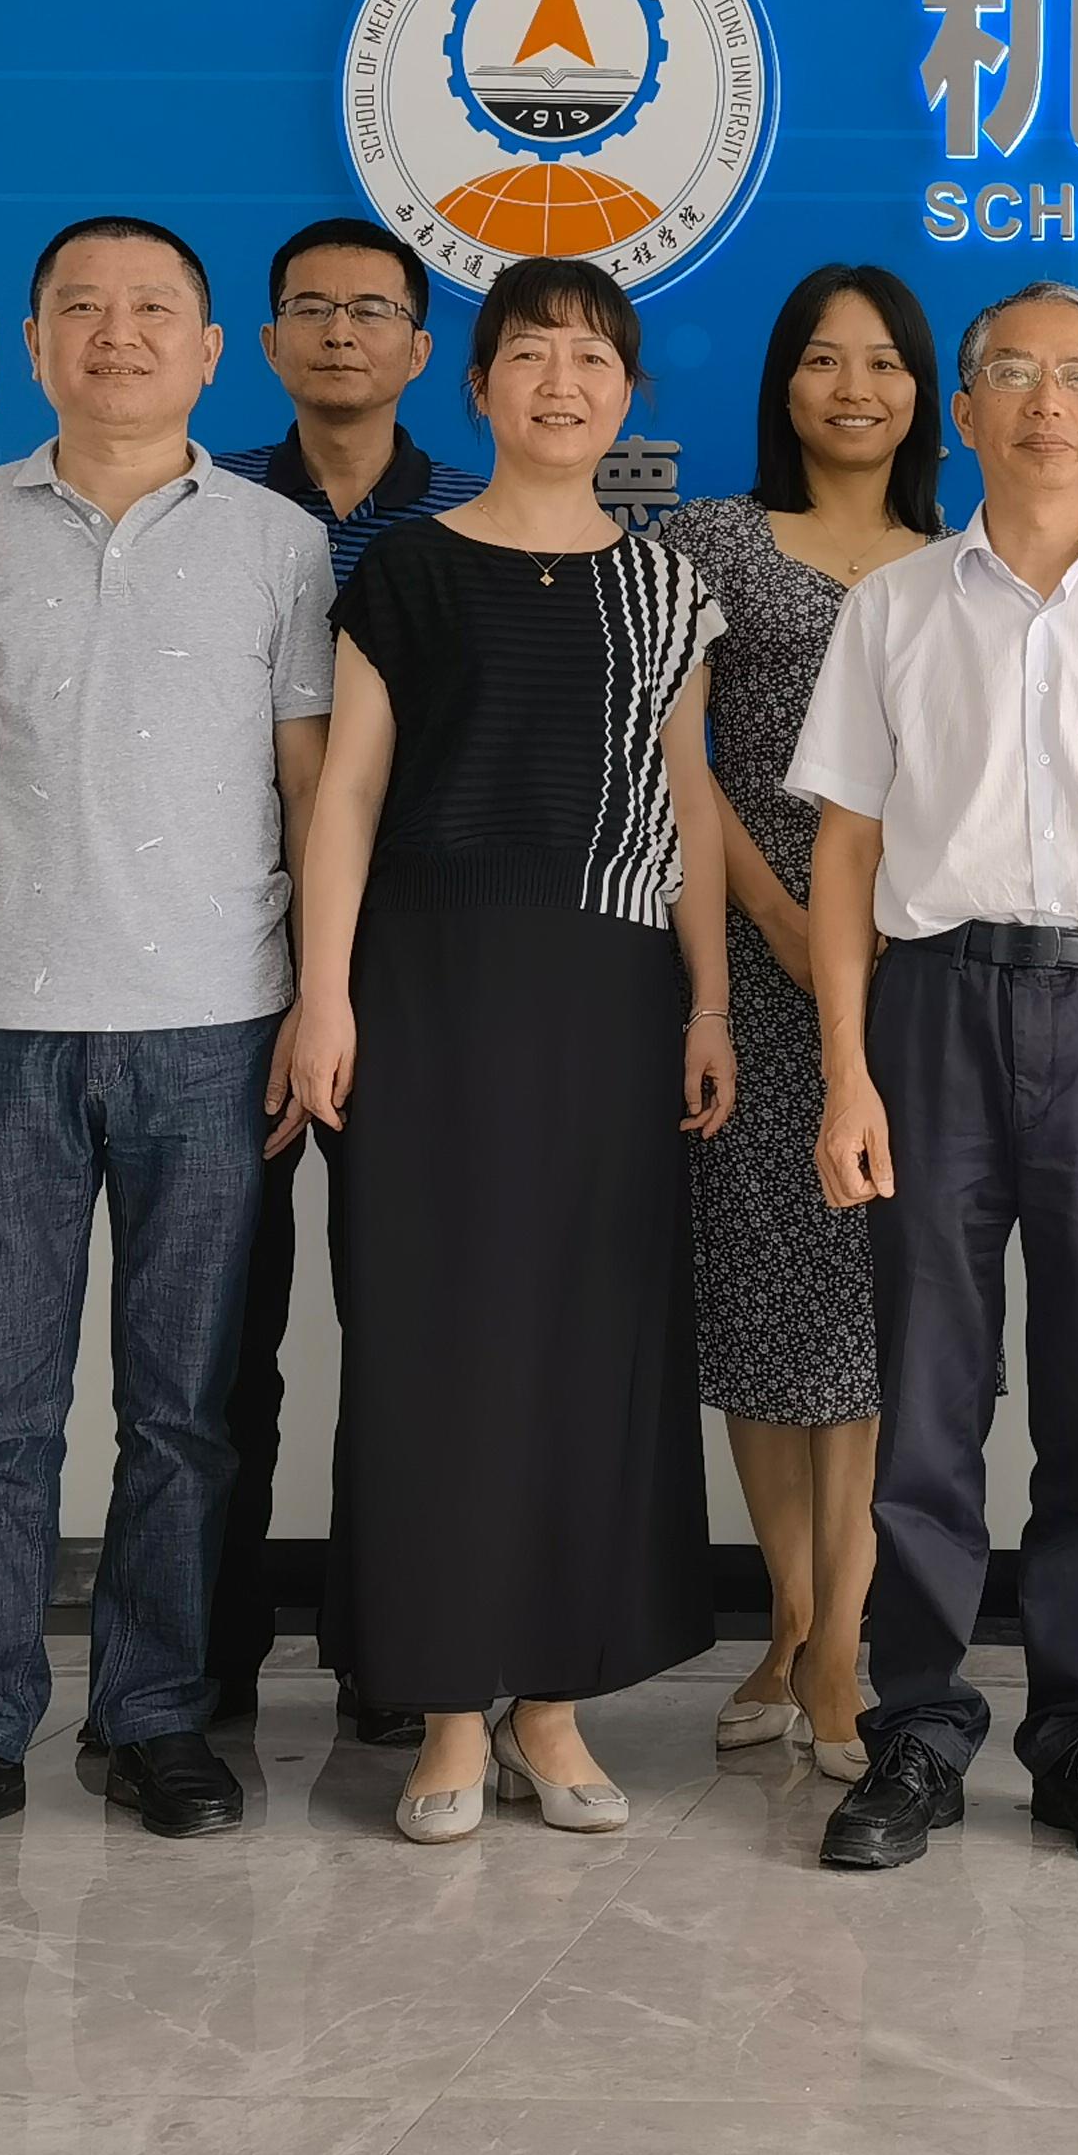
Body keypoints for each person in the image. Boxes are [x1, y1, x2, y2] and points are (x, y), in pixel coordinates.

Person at [0, 216, 336, 1865]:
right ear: (40, 345)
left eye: (151, 311)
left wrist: (310, 998)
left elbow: (309, 785)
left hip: (215, 1027)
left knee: (186, 1412)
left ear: (209, 351)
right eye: (82, 309)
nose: (116, 334)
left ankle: (153, 1715)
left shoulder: (278, 543)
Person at [791, 281, 1078, 1872]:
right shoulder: (896, 608)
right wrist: (847, 1072)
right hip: (931, 1012)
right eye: (1013, 374)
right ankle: (917, 1733)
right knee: (928, 1397)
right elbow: (847, 847)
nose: (1047, 404)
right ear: (967, 411)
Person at [288, 256, 731, 1844]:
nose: (562, 381)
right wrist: (324, 996)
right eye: (531, 354)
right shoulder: (406, 570)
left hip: (608, 995)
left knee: (586, 1348)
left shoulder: (669, 588)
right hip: (424, 987)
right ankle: (447, 1712)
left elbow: (685, 806)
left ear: (628, 398)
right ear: (475, 388)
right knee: (435, 1342)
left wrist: (708, 1005)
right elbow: (347, 792)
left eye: (594, 359)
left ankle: (554, 1705)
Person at [661, 265, 945, 1785]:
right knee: (765, 1305)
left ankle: (844, 1640)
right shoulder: (709, 543)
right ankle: (786, 1620)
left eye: (885, 362)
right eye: (825, 360)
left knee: (871, 1318)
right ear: (784, 383)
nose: (855, 388)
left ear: (922, 391)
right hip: (744, 956)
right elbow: (677, 759)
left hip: (916, 972)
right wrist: (777, 919)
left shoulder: (957, 561)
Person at [208, 215, 484, 1743]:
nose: (339, 334)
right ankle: (208, 1656)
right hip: (219, 955)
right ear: (265, 341)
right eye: (310, 308)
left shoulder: (467, 520)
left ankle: (398, 1650)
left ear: (421, 350)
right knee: (221, 1335)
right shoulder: (208, 505)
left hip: (419, 964)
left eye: (372, 311)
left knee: (407, 1322)